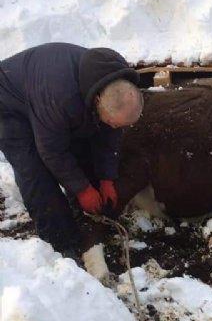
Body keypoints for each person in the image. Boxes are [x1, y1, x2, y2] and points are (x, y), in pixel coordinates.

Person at [0, 42, 144, 258]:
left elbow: (108, 135)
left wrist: (106, 178)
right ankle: (61, 244)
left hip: (46, 95)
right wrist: (82, 189)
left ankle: (82, 214)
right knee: (35, 171)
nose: (116, 128)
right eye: (113, 122)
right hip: (8, 103)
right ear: (97, 101)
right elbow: (52, 151)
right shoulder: (61, 99)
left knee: (87, 141)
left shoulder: (116, 80)